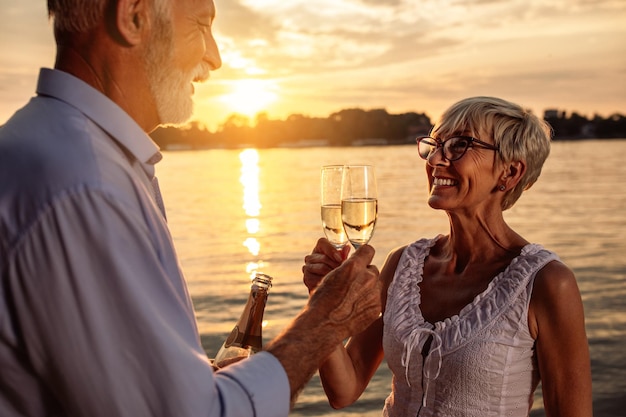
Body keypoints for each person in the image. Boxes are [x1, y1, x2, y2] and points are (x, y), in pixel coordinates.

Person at [0, 1, 382, 416]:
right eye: (201, 25)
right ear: (133, 17)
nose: (213, 58)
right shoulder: (85, 184)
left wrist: (204, 378)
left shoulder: (52, 150)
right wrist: (324, 324)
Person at [303, 96, 593, 416]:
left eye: (458, 145)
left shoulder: (547, 283)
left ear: (509, 173)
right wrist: (323, 300)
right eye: (435, 145)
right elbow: (344, 390)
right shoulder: (403, 264)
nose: (436, 160)